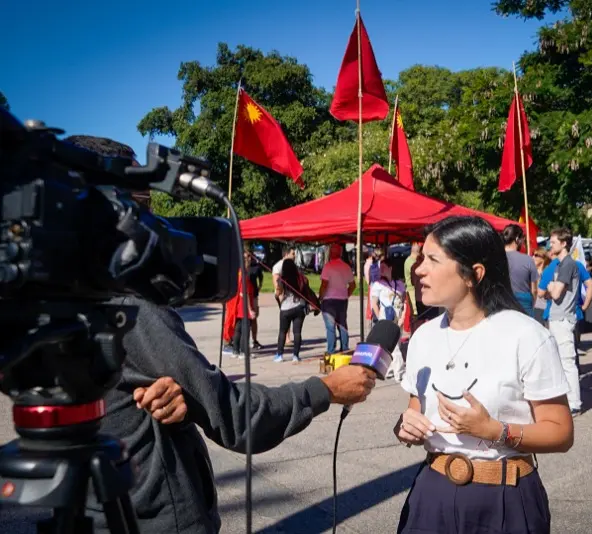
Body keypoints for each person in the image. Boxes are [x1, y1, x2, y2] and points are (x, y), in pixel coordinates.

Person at [65, 135, 380, 534]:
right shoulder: (129, 308)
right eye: (143, 205)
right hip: (155, 518)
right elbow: (234, 417)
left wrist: (172, 400)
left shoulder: (50, 303)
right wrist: (327, 388)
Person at [394, 216, 573, 534]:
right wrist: (406, 427)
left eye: (433, 260)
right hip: (431, 494)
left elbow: (561, 433)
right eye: (421, 259)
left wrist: (494, 430)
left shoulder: (525, 335)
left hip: (504, 496)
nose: (419, 269)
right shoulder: (423, 337)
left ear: (473, 274)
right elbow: (414, 411)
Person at [544, 227, 582, 416]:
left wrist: (551, 286)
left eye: (553, 242)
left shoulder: (567, 264)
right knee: (561, 361)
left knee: (567, 361)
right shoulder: (561, 264)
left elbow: (556, 293)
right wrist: (551, 287)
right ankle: (569, 401)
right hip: (558, 318)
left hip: (563, 318)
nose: (550, 245)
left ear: (564, 243)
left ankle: (574, 403)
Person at [319, 243, 356, 354]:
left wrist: (320, 297)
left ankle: (331, 350)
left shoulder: (328, 266)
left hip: (329, 300)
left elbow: (324, 284)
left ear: (331, 253)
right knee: (342, 324)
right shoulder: (346, 267)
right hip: (342, 300)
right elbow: (353, 285)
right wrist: (346, 294)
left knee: (330, 327)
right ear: (340, 253)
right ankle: (345, 347)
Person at [274, 258, 312, 363]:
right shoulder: (301, 278)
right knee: (297, 332)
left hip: (285, 308)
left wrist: (277, 296)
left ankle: (279, 355)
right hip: (299, 307)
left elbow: (278, 293)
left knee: (282, 331)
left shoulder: (282, 279)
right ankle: (295, 355)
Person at [502, 223, 539, 317]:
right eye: (523, 239)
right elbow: (534, 290)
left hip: (502, 302)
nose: (523, 242)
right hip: (524, 304)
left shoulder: (496, 259)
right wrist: (532, 304)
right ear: (517, 239)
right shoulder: (528, 260)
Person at [247, 250, 264, 350]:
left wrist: (259, 286)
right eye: (247, 256)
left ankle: (254, 340)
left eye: (250, 256)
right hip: (245, 296)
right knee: (244, 319)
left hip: (253, 296)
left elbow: (261, 277)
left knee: (254, 318)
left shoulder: (256, 267)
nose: (249, 258)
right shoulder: (241, 268)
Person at [532, 248, 551, 326]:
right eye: (533, 255)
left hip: (545, 308)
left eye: (536, 255)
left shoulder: (547, 272)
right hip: (535, 307)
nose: (533, 257)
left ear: (543, 258)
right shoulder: (533, 272)